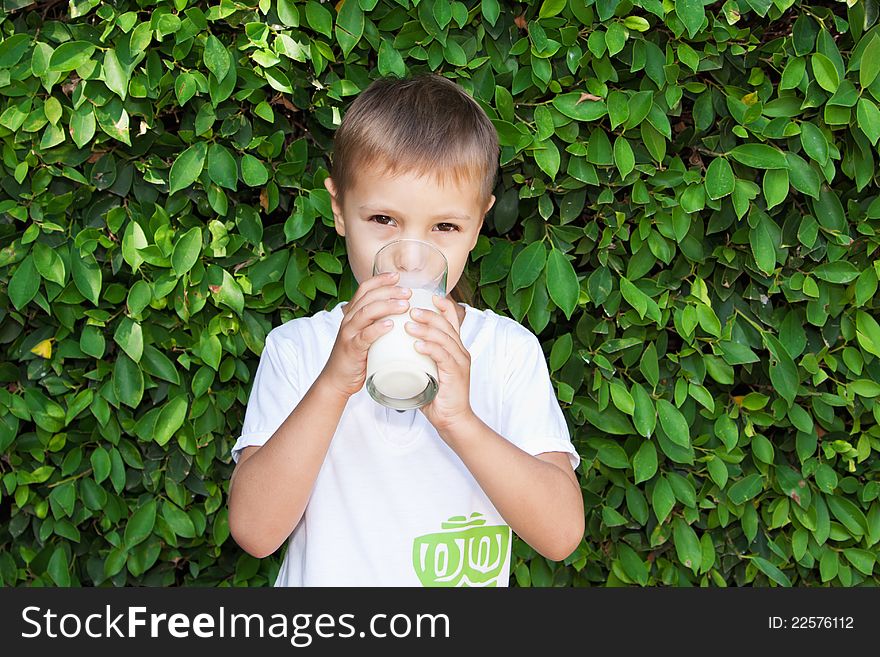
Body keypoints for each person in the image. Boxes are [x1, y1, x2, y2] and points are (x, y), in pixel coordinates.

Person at [227, 73, 584, 587]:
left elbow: (560, 534)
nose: (414, 258)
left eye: (444, 227)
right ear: (339, 209)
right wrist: (332, 384)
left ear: (478, 223)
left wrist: (461, 420)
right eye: (383, 219)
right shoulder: (299, 351)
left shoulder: (505, 353)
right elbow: (255, 532)